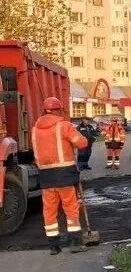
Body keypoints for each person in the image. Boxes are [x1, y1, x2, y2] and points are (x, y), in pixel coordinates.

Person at [31, 97, 88, 254]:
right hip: (64, 174)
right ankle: (76, 243)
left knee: (49, 211)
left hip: (46, 175)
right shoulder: (64, 126)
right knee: (70, 208)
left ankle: (54, 246)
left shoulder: (35, 129)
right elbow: (82, 143)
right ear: (58, 110)